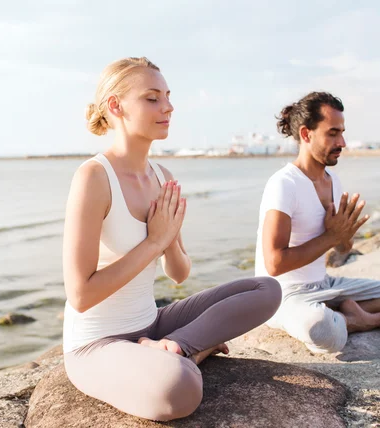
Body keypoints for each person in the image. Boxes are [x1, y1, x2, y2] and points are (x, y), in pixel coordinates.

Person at [62, 57, 281, 421]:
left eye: (167, 96)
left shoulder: (161, 176)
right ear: (116, 106)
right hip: (96, 344)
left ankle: (178, 346)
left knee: (267, 290)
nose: (168, 107)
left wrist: (170, 239)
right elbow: (81, 295)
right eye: (151, 98)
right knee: (179, 389)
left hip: (154, 324)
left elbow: (178, 274)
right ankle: (192, 354)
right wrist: (153, 241)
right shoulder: (93, 178)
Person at [255, 91, 380, 354]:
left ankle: (340, 312)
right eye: (332, 133)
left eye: (342, 132)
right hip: (282, 295)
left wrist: (344, 236)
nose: (342, 141)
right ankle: (358, 319)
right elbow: (274, 263)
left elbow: (342, 250)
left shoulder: (333, 181)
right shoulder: (284, 184)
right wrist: (330, 237)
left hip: (325, 285)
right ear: (306, 134)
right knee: (319, 328)